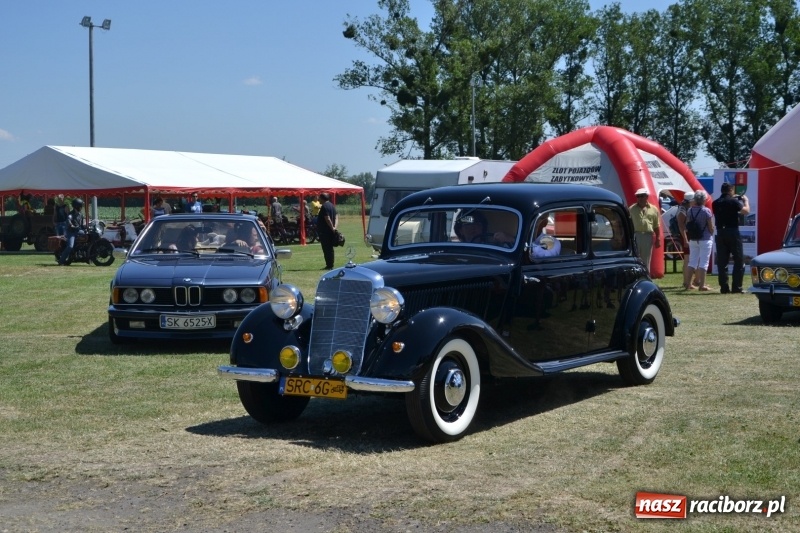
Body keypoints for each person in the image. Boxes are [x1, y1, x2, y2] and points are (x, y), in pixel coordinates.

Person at [712, 182, 750, 293]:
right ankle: (736, 287)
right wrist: (745, 201)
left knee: (722, 262)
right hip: (732, 232)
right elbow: (746, 211)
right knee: (738, 260)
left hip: (720, 232)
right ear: (731, 190)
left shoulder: (715, 203)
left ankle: (724, 288)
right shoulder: (733, 201)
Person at [684, 190, 715, 291]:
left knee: (692, 262)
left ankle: (688, 284)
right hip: (705, 238)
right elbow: (710, 227)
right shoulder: (706, 211)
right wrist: (712, 231)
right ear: (704, 200)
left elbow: (688, 223)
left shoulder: (690, 210)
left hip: (693, 239)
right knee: (704, 263)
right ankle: (702, 285)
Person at [629, 187, 661, 275]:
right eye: (638, 196)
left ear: (647, 197)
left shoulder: (653, 209)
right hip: (635, 235)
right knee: (635, 258)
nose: (639, 198)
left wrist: (658, 238)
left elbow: (656, 225)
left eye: (642, 196)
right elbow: (628, 224)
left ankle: (646, 276)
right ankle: (635, 276)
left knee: (646, 259)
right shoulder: (631, 209)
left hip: (648, 235)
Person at [676, 191, 697, 289]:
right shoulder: (682, 210)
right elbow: (681, 226)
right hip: (686, 235)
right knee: (688, 259)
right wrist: (685, 240)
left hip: (690, 235)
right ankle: (686, 282)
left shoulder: (686, 208)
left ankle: (692, 281)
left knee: (691, 259)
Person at [58, 198, 86, 265]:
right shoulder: (71, 214)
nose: (81, 208)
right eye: (80, 206)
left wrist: (87, 227)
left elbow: (82, 225)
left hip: (79, 231)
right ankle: (61, 261)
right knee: (70, 246)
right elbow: (69, 220)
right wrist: (71, 225)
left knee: (89, 236)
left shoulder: (81, 215)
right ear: (77, 206)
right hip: (71, 232)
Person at [316, 192, 338, 269]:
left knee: (326, 248)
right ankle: (330, 264)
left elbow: (327, 218)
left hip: (325, 231)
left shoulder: (324, 207)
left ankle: (329, 265)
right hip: (330, 230)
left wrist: (332, 228)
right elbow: (336, 217)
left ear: (322, 198)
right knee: (330, 248)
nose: (318, 200)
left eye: (319, 198)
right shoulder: (332, 205)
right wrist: (334, 227)